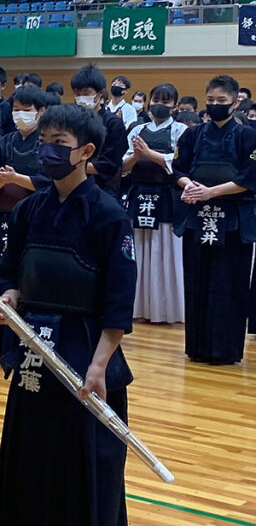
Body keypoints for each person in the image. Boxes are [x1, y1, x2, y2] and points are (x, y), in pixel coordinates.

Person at [0, 103, 136, 526]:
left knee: (83, 462)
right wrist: (9, 298)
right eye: (44, 142)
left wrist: (99, 366)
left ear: (86, 151)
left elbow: (118, 304)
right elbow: (10, 272)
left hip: (84, 353)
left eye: (60, 144)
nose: (47, 152)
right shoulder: (28, 210)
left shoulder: (108, 216)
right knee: (29, 451)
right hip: (34, 348)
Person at [172, 75, 256, 364]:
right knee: (197, 279)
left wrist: (212, 192)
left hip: (233, 220)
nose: (215, 106)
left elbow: (250, 177)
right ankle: (197, 347)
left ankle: (225, 351)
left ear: (235, 102)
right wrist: (190, 187)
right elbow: (177, 168)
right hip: (198, 217)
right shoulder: (193, 135)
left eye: (221, 101)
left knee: (229, 283)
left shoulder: (248, 136)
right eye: (211, 101)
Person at [0, 84, 51, 355]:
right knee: (1, 274)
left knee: (29, 275)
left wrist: (15, 178)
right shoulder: (2, 143)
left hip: (36, 218)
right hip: (4, 218)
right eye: (16, 110)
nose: (20, 115)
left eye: (27, 110)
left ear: (41, 112)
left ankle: (30, 337)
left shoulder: (47, 143)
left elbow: (49, 181)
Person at [122, 84, 187, 324]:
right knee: (138, 249)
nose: (160, 104)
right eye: (156, 99)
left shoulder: (181, 131)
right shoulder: (136, 130)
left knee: (165, 251)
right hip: (139, 195)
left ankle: (166, 310)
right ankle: (138, 308)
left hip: (167, 197)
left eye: (166, 101)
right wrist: (137, 157)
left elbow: (178, 162)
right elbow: (123, 167)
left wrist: (149, 154)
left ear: (175, 106)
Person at [71, 65, 128, 197]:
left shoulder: (113, 123)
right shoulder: (71, 121)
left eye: (86, 93)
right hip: (73, 186)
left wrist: (72, 166)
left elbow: (109, 165)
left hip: (103, 189)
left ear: (101, 93)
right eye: (77, 94)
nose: (81, 98)